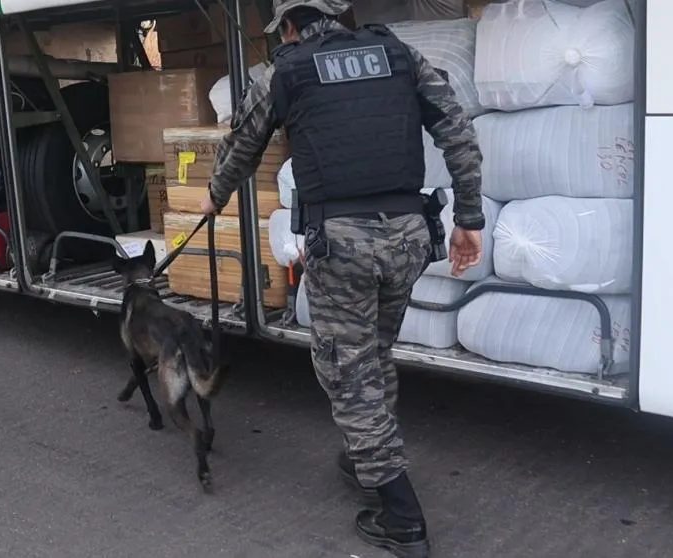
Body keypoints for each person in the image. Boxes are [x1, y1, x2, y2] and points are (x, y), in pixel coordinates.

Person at [200, 1, 484, 556]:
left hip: (344, 247)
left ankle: (401, 514)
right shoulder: (399, 54)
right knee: (372, 353)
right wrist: (469, 219)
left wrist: (213, 196)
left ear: (289, 24)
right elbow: (457, 130)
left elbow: (241, 143)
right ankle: (363, 457)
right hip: (407, 237)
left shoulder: (285, 70)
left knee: (346, 372)